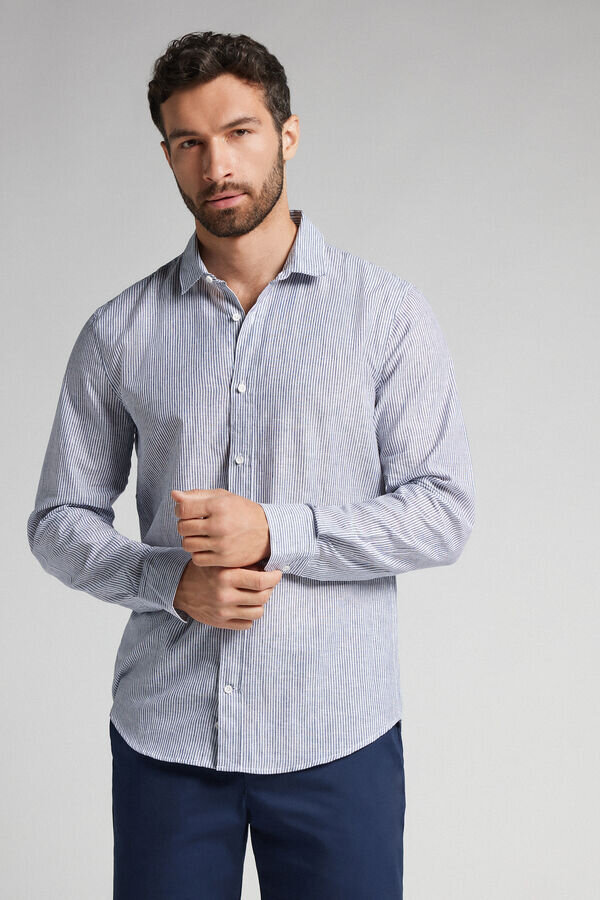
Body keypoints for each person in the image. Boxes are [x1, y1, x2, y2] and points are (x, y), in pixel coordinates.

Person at [26, 30, 475, 900]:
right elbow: (58, 520)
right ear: (168, 155)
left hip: (336, 739)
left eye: (239, 132)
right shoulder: (119, 332)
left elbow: (444, 512)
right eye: (189, 142)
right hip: (167, 742)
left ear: (287, 135)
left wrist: (276, 530)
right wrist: (168, 582)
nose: (217, 165)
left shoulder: (387, 316)